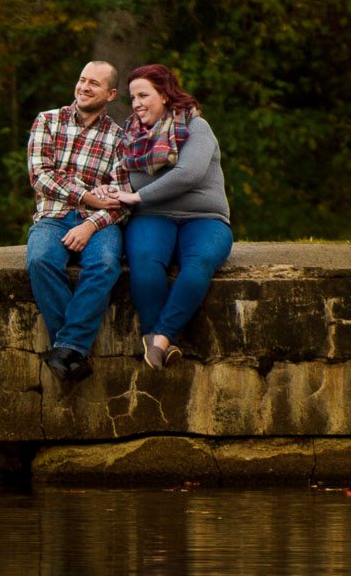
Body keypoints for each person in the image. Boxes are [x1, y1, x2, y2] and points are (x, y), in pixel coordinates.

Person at [94, 64, 233, 370]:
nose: (137, 103)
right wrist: (113, 190)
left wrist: (137, 196)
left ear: (166, 95)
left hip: (205, 217)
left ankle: (161, 339)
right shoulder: (131, 134)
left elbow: (188, 174)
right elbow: (124, 180)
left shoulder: (197, 128)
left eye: (144, 95)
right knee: (145, 260)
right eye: (133, 98)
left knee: (198, 264)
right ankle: (154, 339)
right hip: (154, 216)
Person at [24, 62, 132, 384]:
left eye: (94, 84)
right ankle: (73, 349)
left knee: (105, 264)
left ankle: (64, 350)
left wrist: (89, 223)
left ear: (110, 94)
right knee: (41, 260)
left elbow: (121, 198)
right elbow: (40, 176)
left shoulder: (119, 138)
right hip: (53, 215)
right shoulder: (48, 121)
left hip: (99, 223)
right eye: (82, 80)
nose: (84, 87)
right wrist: (86, 197)